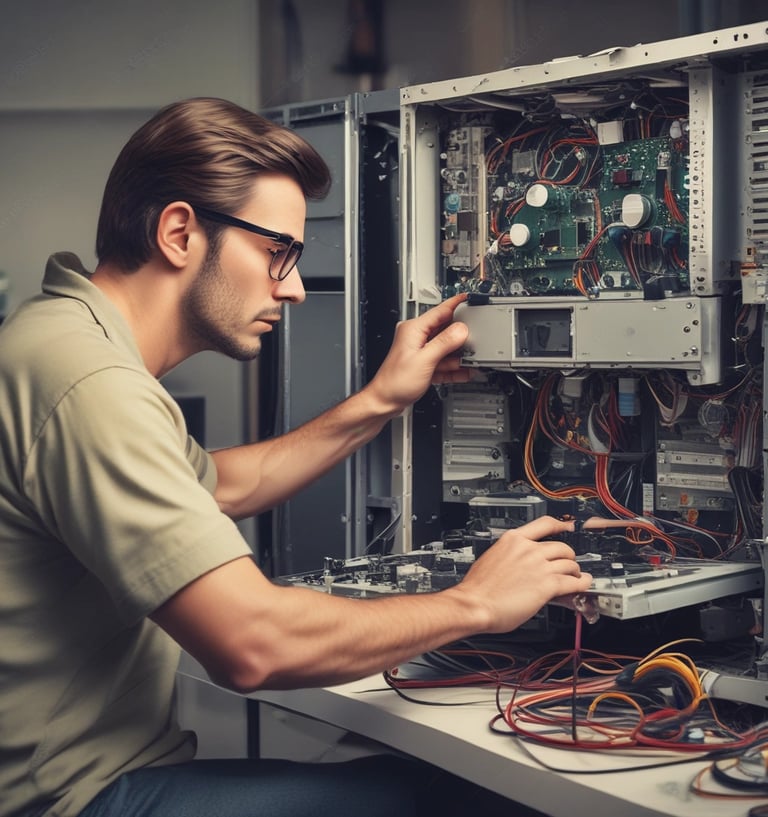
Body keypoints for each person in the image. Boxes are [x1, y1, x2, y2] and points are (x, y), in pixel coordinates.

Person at [0, 97, 592, 817]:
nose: (295, 285)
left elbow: (221, 483)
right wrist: (476, 602)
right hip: (80, 799)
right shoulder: (90, 381)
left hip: (93, 778)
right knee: (467, 799)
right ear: (180, 232)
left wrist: (379, 400)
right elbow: (253, 645)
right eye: (277, 250)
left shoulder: (60, 337)